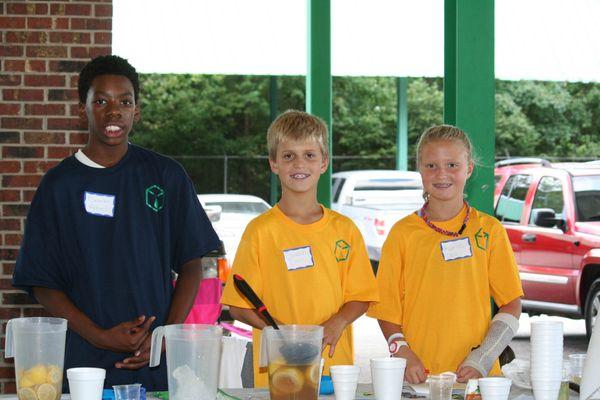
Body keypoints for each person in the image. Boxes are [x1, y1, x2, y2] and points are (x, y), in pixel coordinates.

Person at [12, 55, 220, 391]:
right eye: (101, 101)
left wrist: (165, 332)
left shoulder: (165, 175)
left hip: (153, 361)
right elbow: (42, 283)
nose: (114, 111)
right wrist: (100, 336)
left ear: (136, 110)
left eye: (125, 101)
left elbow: (191, 262)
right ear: (83, 109)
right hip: (84, 363)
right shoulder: (58, 185)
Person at [220, 110, 379, 387]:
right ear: (274, 163)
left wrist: (339, 321)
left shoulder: (345, 229)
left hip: (333, 367)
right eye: (288, 156)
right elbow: (238, 305)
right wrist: (280, 333)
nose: (299, 164)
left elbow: (362, 296)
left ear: (324, 162)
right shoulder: (260, 231)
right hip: (278, 368)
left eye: (309, 155)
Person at [367, 125, 523, 384]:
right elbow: (386, 310)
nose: (442, 174)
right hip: (420, 379)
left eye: (452, 165)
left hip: (477, 380)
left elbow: (511, 303)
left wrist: (483, 357)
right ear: (419, 169)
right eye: (431, 166)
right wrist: (401, 350)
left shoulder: (490, 230)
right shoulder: (402, 233)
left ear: (469, 168)